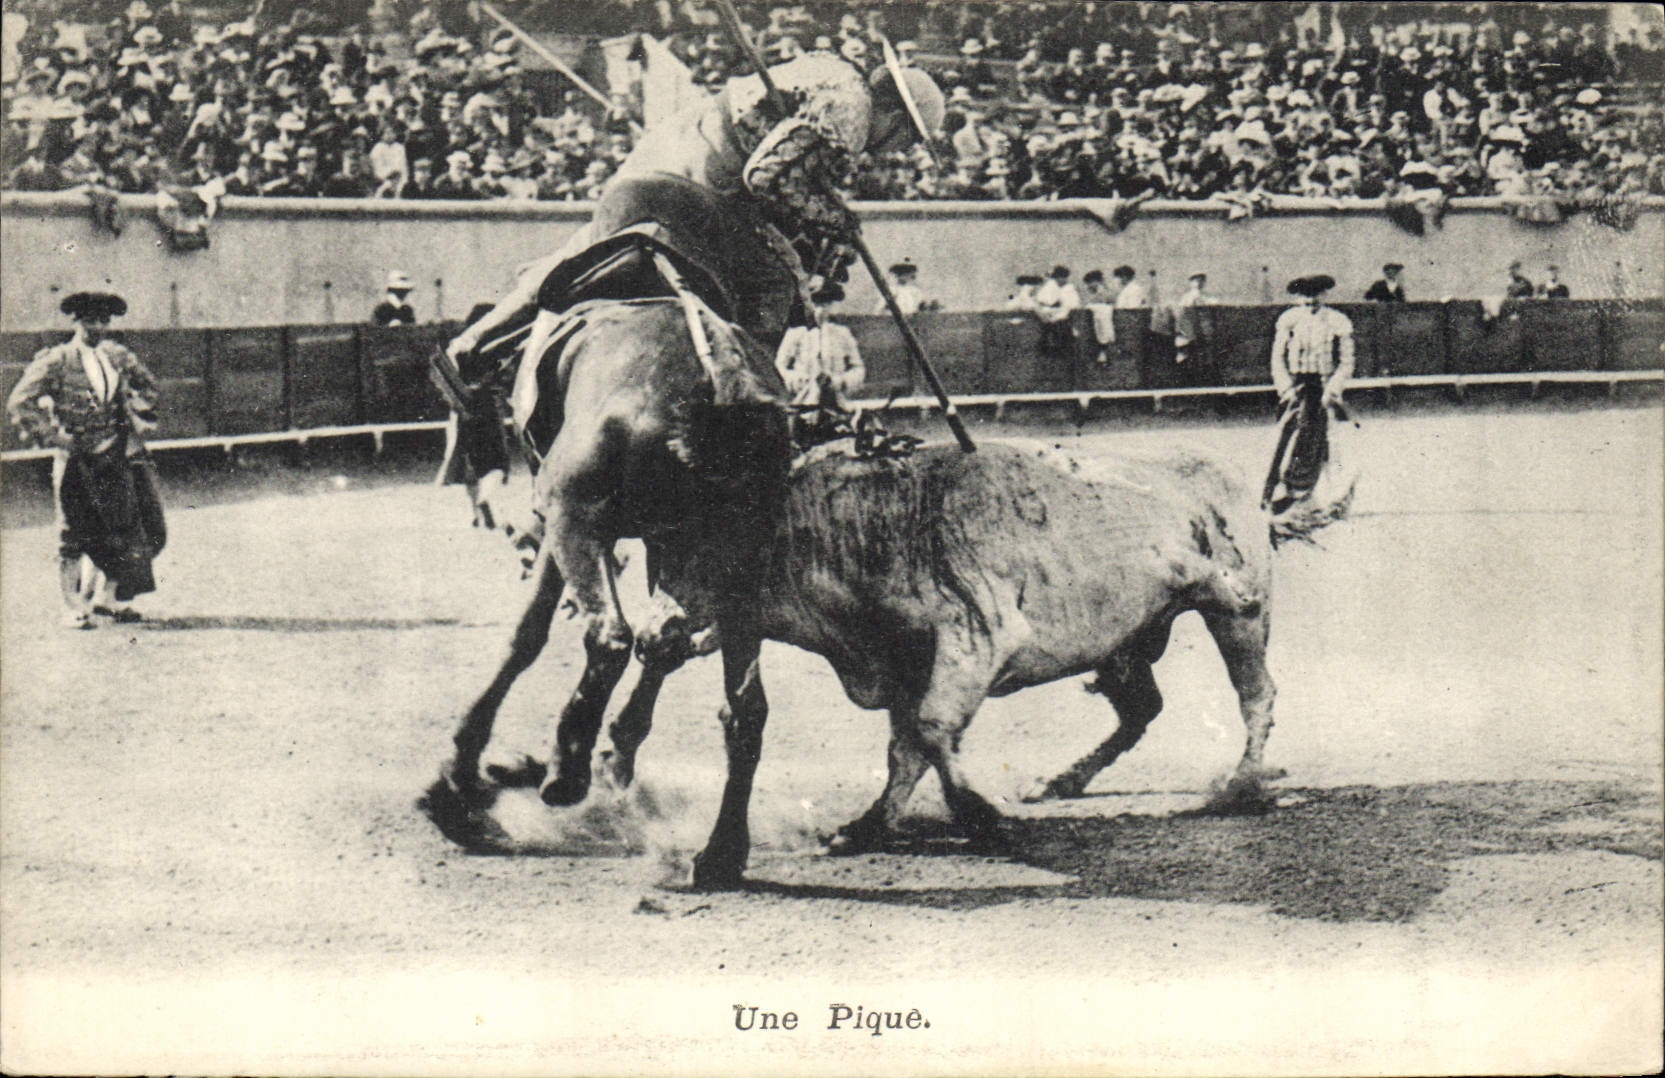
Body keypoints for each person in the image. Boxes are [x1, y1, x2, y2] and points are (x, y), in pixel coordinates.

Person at [447, 52, 944, 380]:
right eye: (907, 139)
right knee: (776, 282)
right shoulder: (853, 111)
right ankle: (747, 407)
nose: (899, 151)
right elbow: (766, 176)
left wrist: (826, 207)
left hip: (654, 164)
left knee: (583, 249)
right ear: (895, 115)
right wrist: (834, 220)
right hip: (702, 188)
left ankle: (477, 343)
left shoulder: (828, 69)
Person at [6, 292, 166, 628]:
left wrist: (131, 417)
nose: (98, 327)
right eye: (90, 321)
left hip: (113, 454)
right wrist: (56, 436)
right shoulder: (57, 360)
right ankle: (73, 606)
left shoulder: (117, 356)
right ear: (76, 322)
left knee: (124, 528)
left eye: (104, 321)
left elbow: (149, 387)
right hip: (76, 458)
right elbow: (20, 402)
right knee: (73, 533)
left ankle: (108, 600)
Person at [1265, 275, 1355, 512]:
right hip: (1296, 387)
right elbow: (1277, 359)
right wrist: (1286, 389)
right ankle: (1282, 491)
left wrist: (1332, 391)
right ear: (1298, 297)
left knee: (1330, 441)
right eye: (1305, 295)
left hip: (1324, 386)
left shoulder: (1337, 321)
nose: (1310, 300)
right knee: (1285, 438)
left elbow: (1346, 362)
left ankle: (1333, 496)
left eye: (1315, 294)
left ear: (1324, 295)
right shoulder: (1289, 320)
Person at [775, 282, 864, 406]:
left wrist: (841, 381)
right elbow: (780, 364)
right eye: (816, 304)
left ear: (831, 305)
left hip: (836, 399)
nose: (820, 309)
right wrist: (796, 379)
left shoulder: (842, 334)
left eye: (825, 304)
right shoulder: (796, 333)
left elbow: (858, 367)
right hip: (804, 399)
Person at [1171, 270, 1216, 378]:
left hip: (1205, 330)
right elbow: (1182, 316)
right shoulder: (1186, 298)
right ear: (1190, 282)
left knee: (1207, 355)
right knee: (1188, 354)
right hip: (1190, 332)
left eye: (1201, 280)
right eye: (1195, 280)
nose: (1199, 282)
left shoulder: (1208, 297)